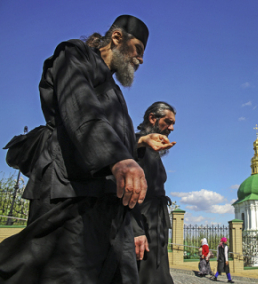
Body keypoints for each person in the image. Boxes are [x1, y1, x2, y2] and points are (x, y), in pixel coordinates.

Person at [0, 15, 174, 284]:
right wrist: (118, 158)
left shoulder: (116, 94)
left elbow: (122, 147)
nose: (140, 60)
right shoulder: (74, 54)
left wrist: (136, 224)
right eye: (138, 49)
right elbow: (80, 109)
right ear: (117, 38)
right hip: (69, 192)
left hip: (111, 211)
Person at [135, 102, 177, 284]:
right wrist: (135, 230)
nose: (172, 128)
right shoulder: (136, 144)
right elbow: (125, 192)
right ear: (153, 118)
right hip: (142, 224)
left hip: (156, 226)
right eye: (167, 122)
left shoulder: (152, 151)